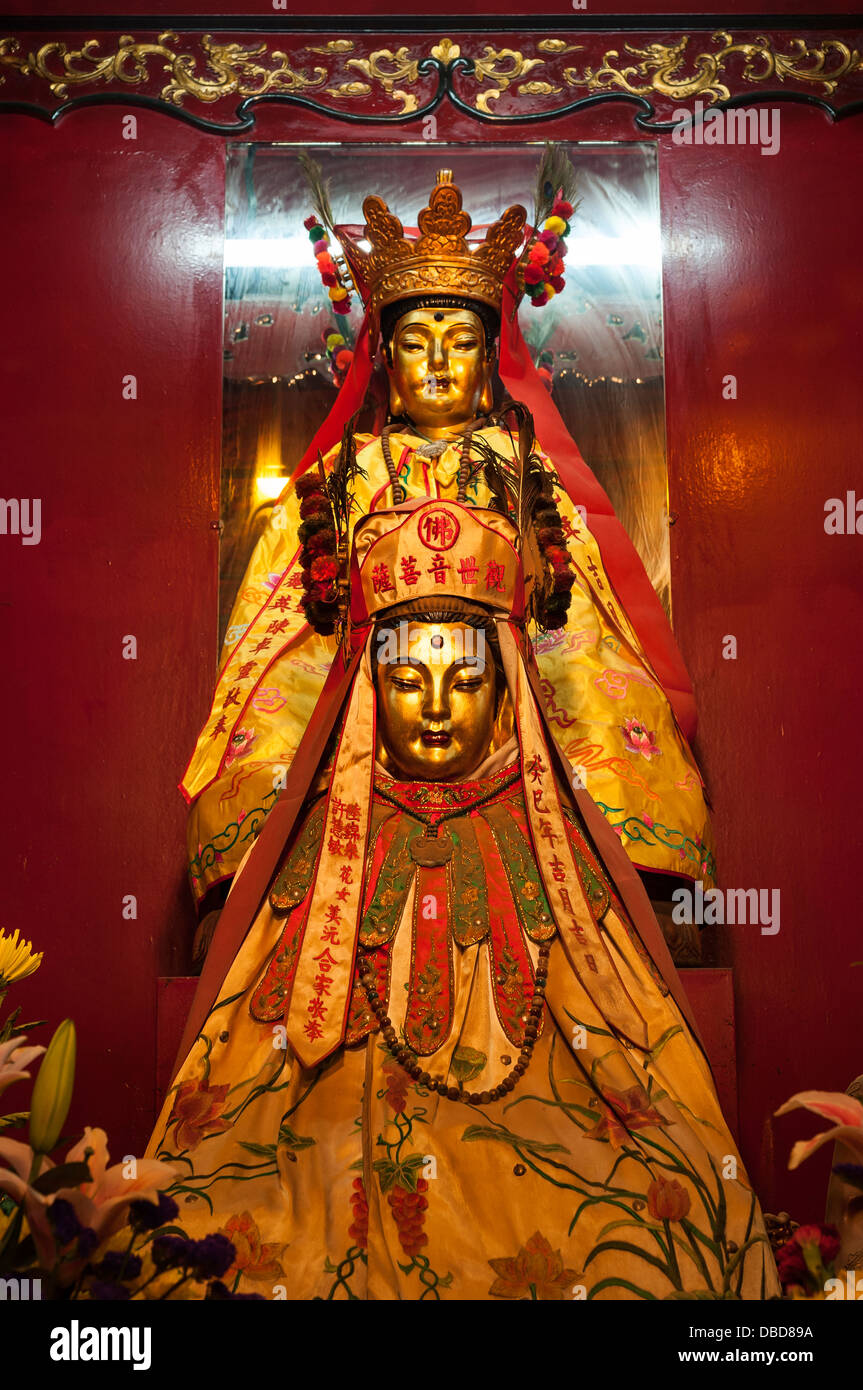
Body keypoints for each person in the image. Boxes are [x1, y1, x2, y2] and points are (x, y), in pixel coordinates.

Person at [147, 494, 778, 1300]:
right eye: (407, 679)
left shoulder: (559, 849)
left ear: (508, 688)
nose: (436, 710)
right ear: (370, 689)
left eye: (464, 680)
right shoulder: (316, 850)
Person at [182, 165, 714, 970]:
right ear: (386, 363)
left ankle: (644, 885)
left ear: (489, 362)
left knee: (616, 721)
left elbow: (577, 620)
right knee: (262, 753)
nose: (437, 363)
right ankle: (250, 892)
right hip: (357, 696)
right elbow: (281, 623)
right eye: (414, 344)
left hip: (510, 696)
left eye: (461, 342)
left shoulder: (528, 473)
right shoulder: (341, 478)